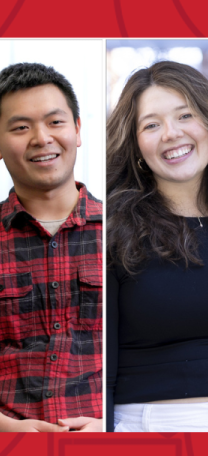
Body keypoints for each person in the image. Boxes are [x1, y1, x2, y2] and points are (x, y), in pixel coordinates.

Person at [106, 61, 208, 432]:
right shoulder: (113, 231)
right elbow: (100, 367)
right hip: (150, 428)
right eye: (151, 125)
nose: (171, 133)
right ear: (136, 145)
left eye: (185, 115)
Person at [0, 63, 102, 432]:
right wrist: (9, 429)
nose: (41, 138)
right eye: (21, 127)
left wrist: (110, 426)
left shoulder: (124, 234)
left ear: (77, 130)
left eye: (55, 122)